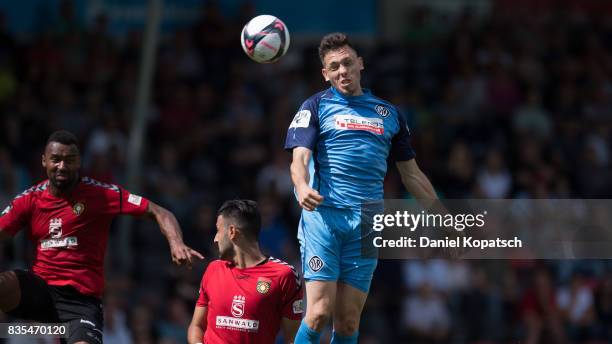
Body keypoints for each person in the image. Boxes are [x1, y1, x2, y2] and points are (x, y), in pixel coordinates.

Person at [284, 33, 438, 344]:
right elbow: (299, 159)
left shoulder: (390, 115)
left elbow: (412, 175)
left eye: (348, 63)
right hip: (324, 218)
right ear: (325, 74)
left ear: (360, 64)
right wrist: (301, 186)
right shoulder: (314, 106)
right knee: (318, 312)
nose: (342, 71)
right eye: (334, 66)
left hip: (366, 224)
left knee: (349, 321)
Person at [0, 130, 203, 344]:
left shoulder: (102, 195)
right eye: (56, 160)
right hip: (40, 292)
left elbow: (159, 211)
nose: (62, 166)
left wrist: (176, 242)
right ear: (44, 161)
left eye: (69, 160)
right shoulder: (29, 199)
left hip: (80, 301)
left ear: (78, 162)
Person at [187, 199, 303, 344]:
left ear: (232, 232)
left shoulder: (284, 275)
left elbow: (293, 339)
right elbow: (196, 326)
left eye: (218, 230)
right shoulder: (213, 269)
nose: (215, 239)